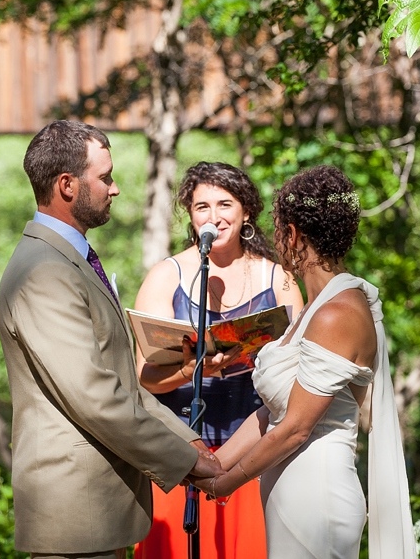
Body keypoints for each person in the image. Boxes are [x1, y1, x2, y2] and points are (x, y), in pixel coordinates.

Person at [0, 120, 222, 559]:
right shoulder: (44, 273)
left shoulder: (69, 259)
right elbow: (95, 395)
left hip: (98, 512)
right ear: (67, 185)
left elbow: (118, 378)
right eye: (105, 177)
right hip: (75, 516)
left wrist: (185, 436)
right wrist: (185, 459)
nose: (114, 188)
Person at [193, 164, 418, 559]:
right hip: (291, 493)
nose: (276, 242)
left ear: (293, 234)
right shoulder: (312, 309)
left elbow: (296, 428)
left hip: (318, 500)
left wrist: (226, 484)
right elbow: (275, 412)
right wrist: (213, 462)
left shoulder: (338, 313)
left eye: (278, 231)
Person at [134, 161, 304, 559]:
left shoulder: (279, 279)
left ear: (245, 211)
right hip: (181, 456)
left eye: (225, 205)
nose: (214, 217)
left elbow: (299, 369)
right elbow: (144, 376)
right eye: (202, 207)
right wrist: (191, 369)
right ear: (191, 216)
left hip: (254, 454)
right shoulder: (166, 276)